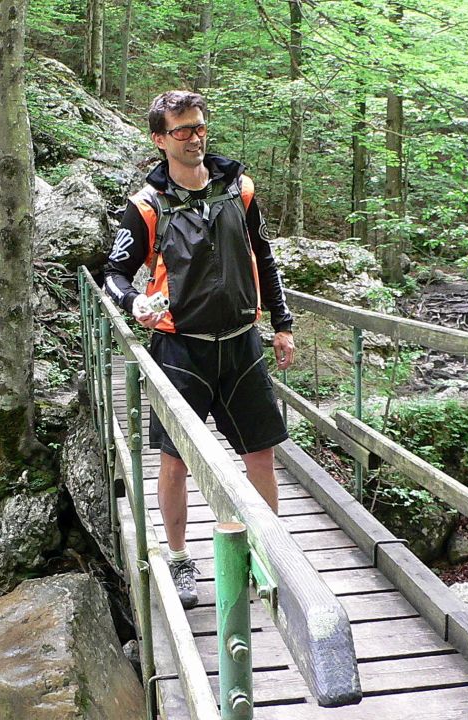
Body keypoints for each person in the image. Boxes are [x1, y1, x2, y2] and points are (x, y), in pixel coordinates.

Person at [104, 90, 294, 609]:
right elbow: (114, 273)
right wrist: (135, 302)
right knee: (175, 459)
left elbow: (264, 257)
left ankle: (265, 551)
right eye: (183, 130)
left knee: (260, 452)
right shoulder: (146, 207)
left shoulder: (239, 190)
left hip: (241, 343)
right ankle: (180, 557)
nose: (195, 138)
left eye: (200, 126)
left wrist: (282, 324)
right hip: (180, 348)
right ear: (159, 139)